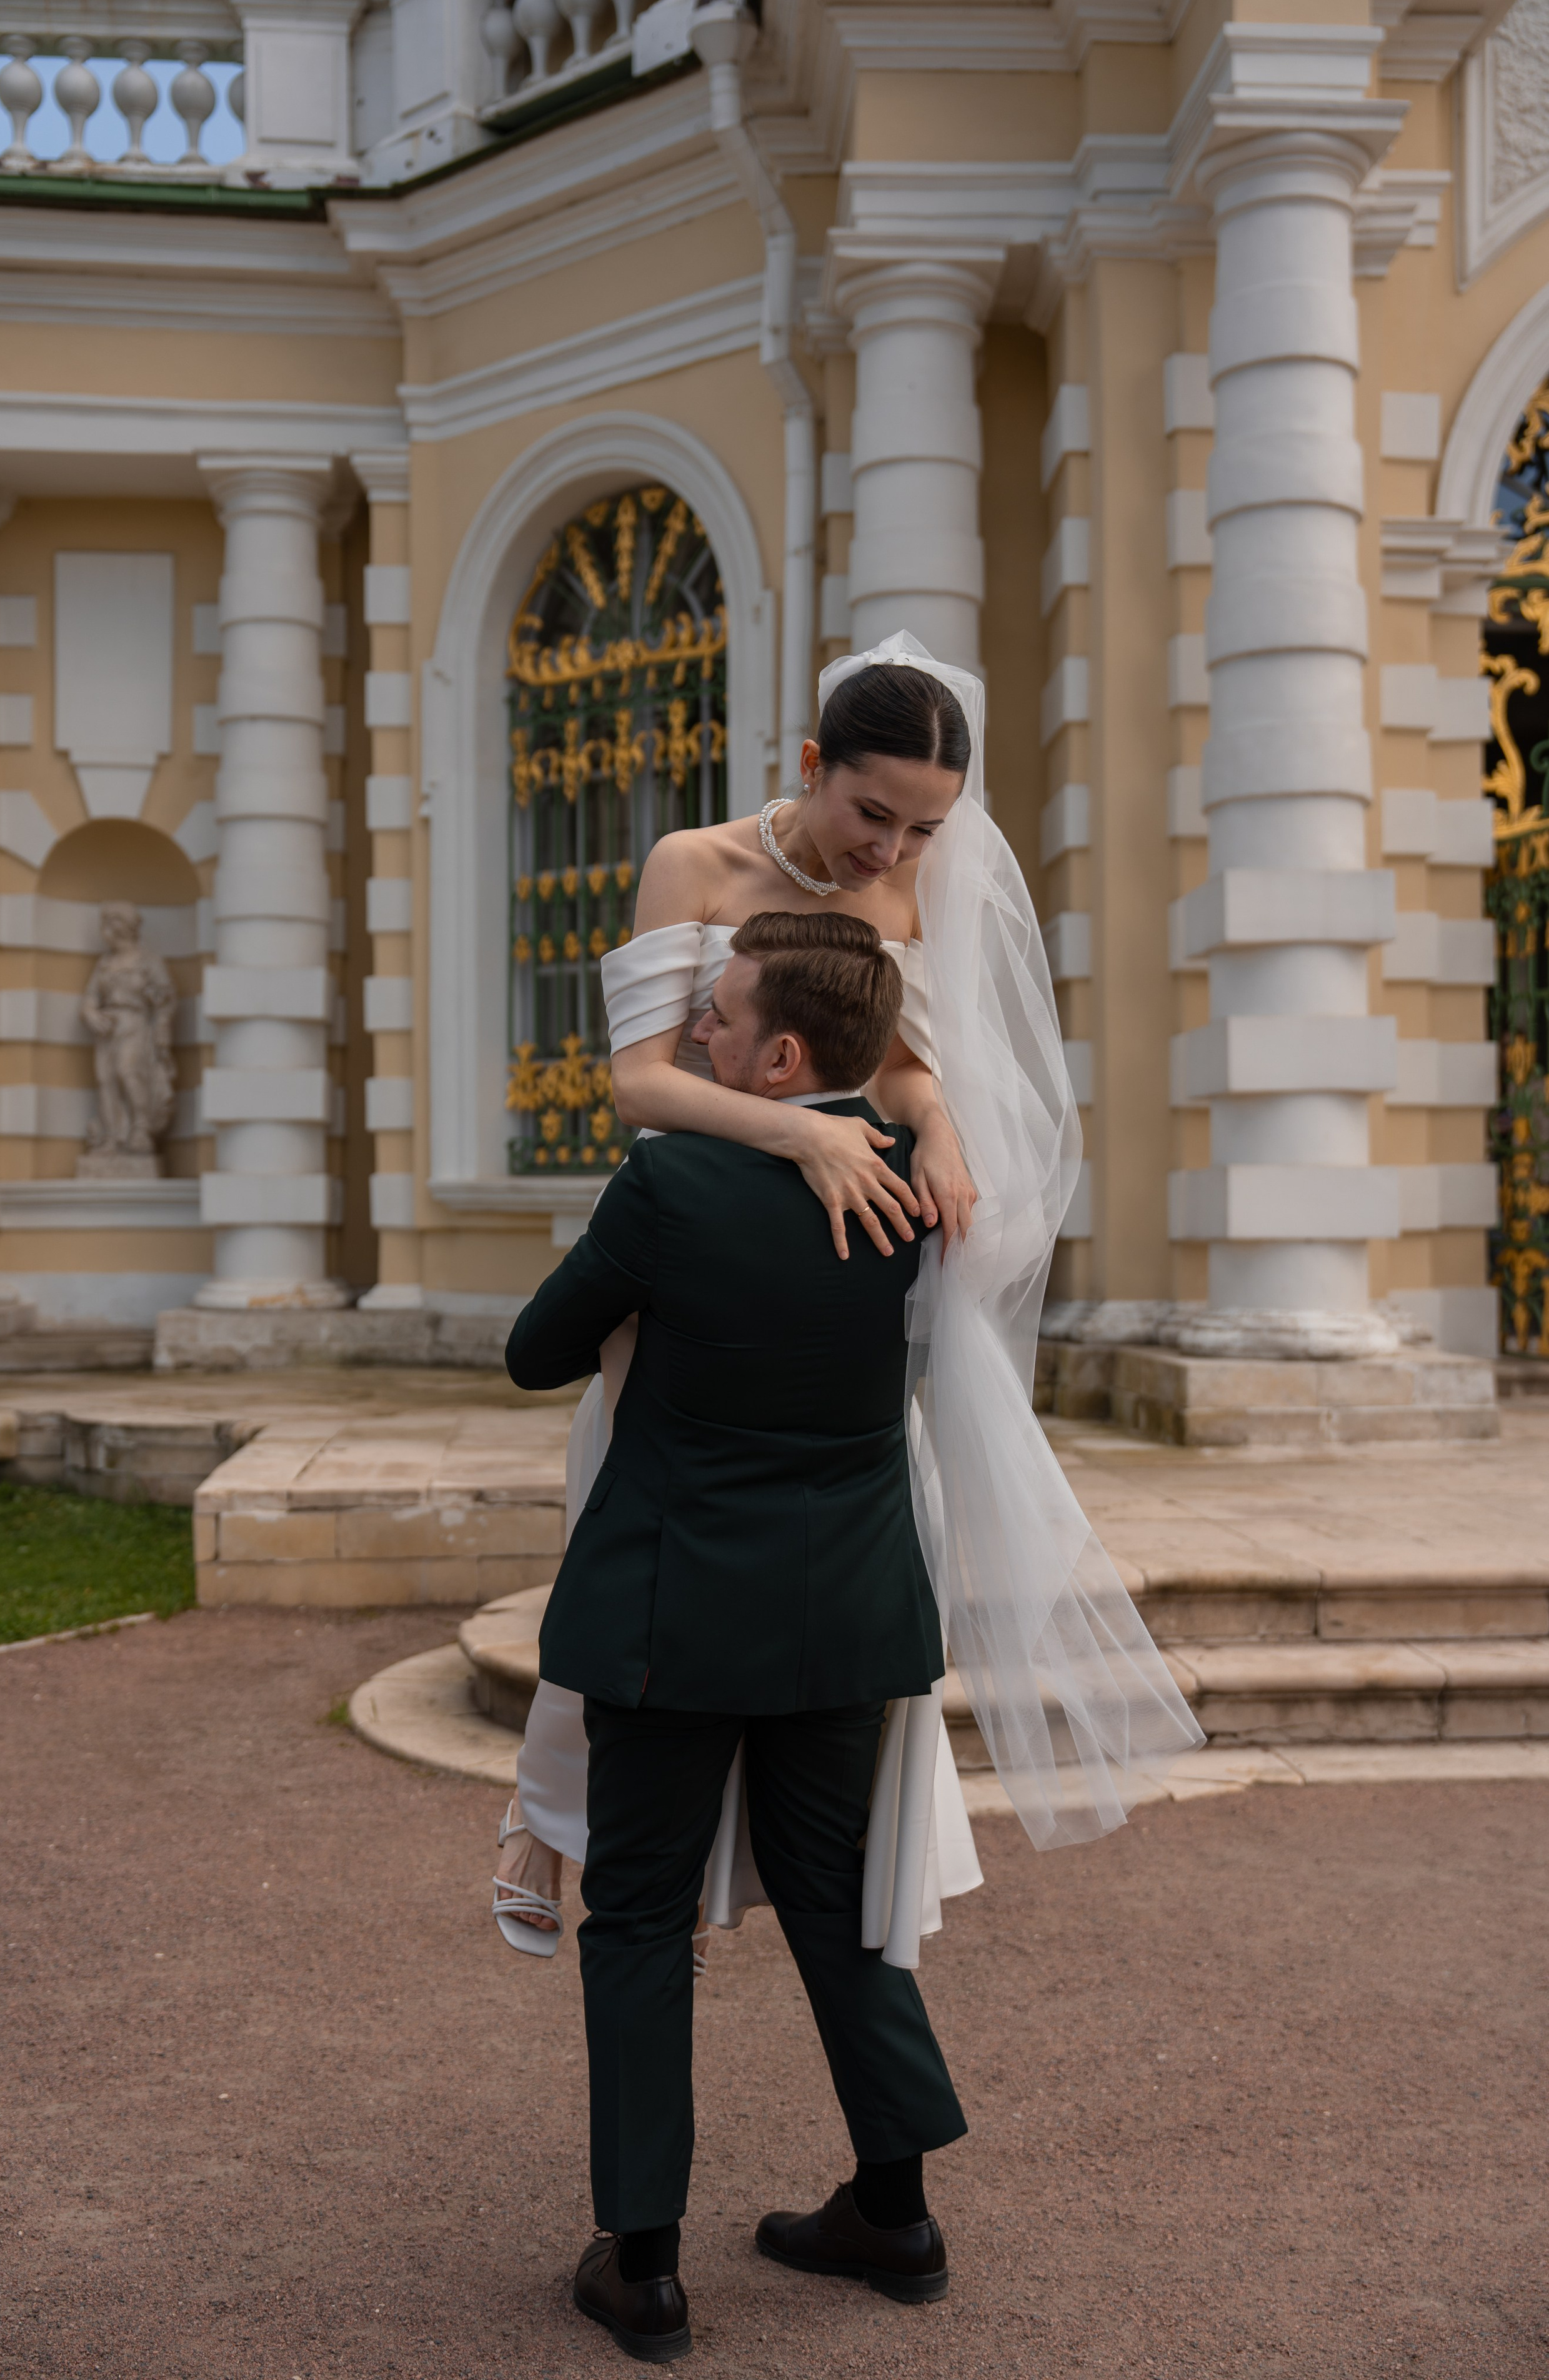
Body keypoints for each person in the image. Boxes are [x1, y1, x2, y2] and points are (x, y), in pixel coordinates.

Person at [494, 634, 1202, 1961]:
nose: (889, 850)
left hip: (824, 1277)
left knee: (819, 1575)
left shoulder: (912, 891)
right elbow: (641, 1083)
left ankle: (782, 1874)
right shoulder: (692, 866)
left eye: (923, 828)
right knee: (623, 1539)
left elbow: (898, 1065)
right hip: (683, 1266)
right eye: (870, 812)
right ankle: (571, 1827)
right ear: (811, 767)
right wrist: (800, 1137)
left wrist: (930, 1129)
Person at [505, 913, 967, 2361]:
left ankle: (642, 2268)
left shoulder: (671, 1179)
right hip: (846, 1607)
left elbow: (533, 1351)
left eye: (713, 1019)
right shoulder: (923, 1189)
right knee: (838, 1903)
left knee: (636, 1918)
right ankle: (891, 2214)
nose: (689, 1039)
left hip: (670, 1609)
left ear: (779, 1054)